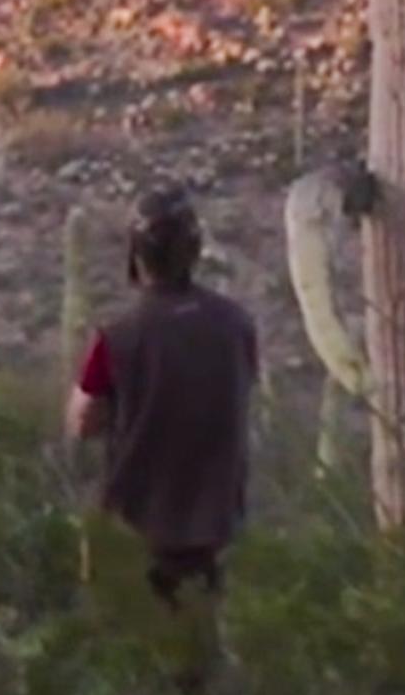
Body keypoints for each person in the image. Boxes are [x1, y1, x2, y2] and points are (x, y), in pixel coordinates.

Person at [67, 186, 260, 664]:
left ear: (136, 256)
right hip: (213, 523)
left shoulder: (117, 339)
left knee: (130, 658)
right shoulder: (236, 324)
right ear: (194, 251)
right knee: (198, 654)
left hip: (138, 525)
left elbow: (83, 422)